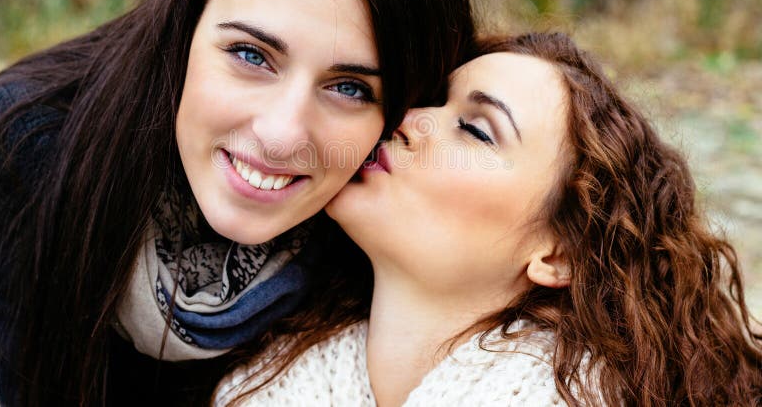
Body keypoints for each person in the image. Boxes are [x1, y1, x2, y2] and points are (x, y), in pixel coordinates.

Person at [0, 0, 476, 404]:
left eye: (349, 88)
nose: (280, 136)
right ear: (185, 27)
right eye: (251, 55)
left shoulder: (376, 219)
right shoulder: (41, 141)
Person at [214, 32, 762, 406]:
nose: (406, 120)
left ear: (558, 254)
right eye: (434, 101)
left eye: (476, 130)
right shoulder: (264, 378)